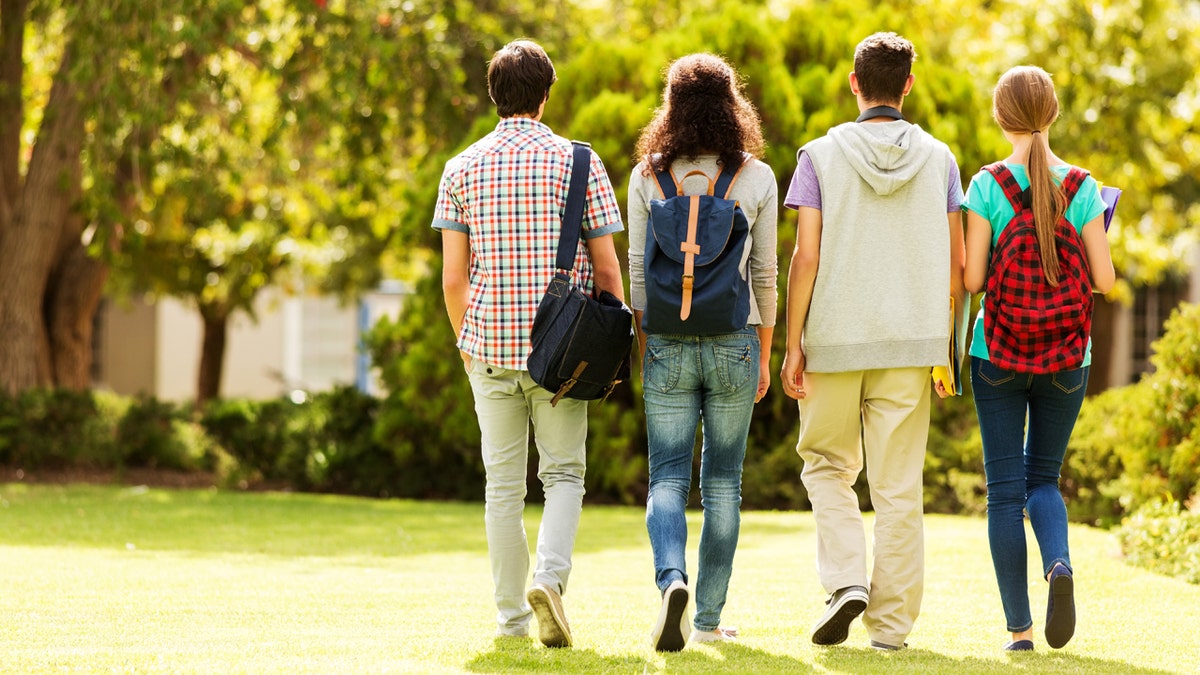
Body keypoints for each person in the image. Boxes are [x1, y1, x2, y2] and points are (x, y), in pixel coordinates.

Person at [432, 39, 626, 649]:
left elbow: (452, 278)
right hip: (563, 354)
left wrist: (468, 345)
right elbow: (607, 270)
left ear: (495, 95)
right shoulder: (578, 162)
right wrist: (618, 338)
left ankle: (513, 620)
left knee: (502, 489)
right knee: (565, 474)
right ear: (546, 94)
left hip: (488, 345)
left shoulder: (461, 166)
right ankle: (549, 580)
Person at [780, 32, 965, 651]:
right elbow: (957, 263)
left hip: (833, 338)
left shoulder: (818, 157)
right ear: (907, 86)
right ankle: (888, 631)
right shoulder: (941, 160)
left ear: (854, 84)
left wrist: (792, 343)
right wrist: (946, 348)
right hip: (913, 346)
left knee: (827, 467)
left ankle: (844, 584)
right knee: (898, 491)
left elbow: (805, 257)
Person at [627, 53, 778, 652]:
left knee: (666, 474)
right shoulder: (755, 178)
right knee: (723, 484)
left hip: (666, 339)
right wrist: (765, 354)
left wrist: (648, 344)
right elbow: (765, 276)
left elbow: (640, 275)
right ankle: (709, 619)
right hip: (735, 340)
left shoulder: (647, 176)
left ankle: (672, 581)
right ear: (731, 105)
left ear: (671, 106)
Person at [962, 65, 1115, 652]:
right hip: (1067, 357)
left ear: (1003, 118)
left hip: (997, 351)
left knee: (1004, 491)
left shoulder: (987, 186)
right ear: (1051, 114)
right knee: (1043, 479)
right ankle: (1059, 566)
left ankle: (1020, 632)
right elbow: (1102, 279)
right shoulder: (1083, 187)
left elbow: (974, 278)